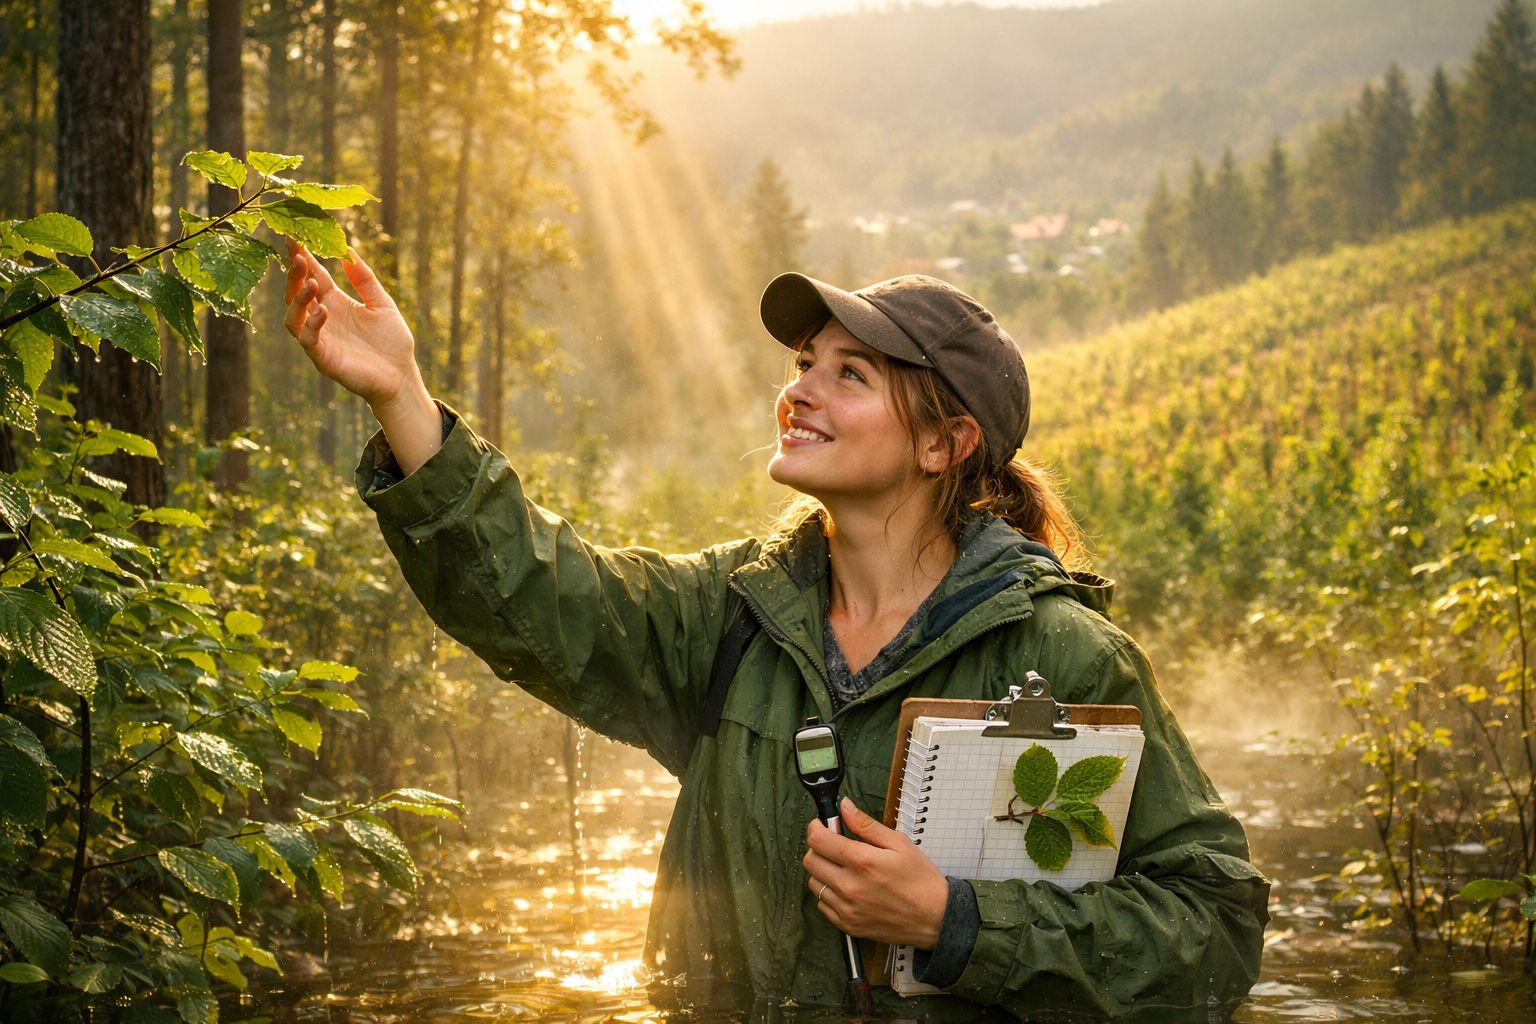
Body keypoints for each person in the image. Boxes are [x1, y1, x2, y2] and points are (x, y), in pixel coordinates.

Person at [284, 241, 1269, 1019]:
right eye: (805, 363)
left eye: (851, 374)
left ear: (945, 441)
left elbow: (1213, 936)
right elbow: (548, 598)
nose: (799, 389)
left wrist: (955, 922)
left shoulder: (1064, 658)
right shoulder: (731, 618)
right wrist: (401, 398)